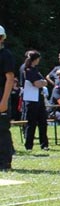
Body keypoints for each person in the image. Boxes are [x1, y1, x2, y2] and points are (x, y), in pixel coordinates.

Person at [19, 50, 49, 151]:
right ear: (35, 59)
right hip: (31, 99)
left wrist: (42, 82)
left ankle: (44, 144)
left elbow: (43, 81)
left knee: (43, 122)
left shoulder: (34, 69)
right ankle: (29, 145)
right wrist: (42, 82)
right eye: (38, 58)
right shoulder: (26, 69)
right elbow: (36, 83)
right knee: (31, 123)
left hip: (39, 98)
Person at [0, 25, 16, 171]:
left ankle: (5, 163)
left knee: (2, 130)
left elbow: (10, 79)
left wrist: (4, 101)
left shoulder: (6, 55)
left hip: (1, 97)